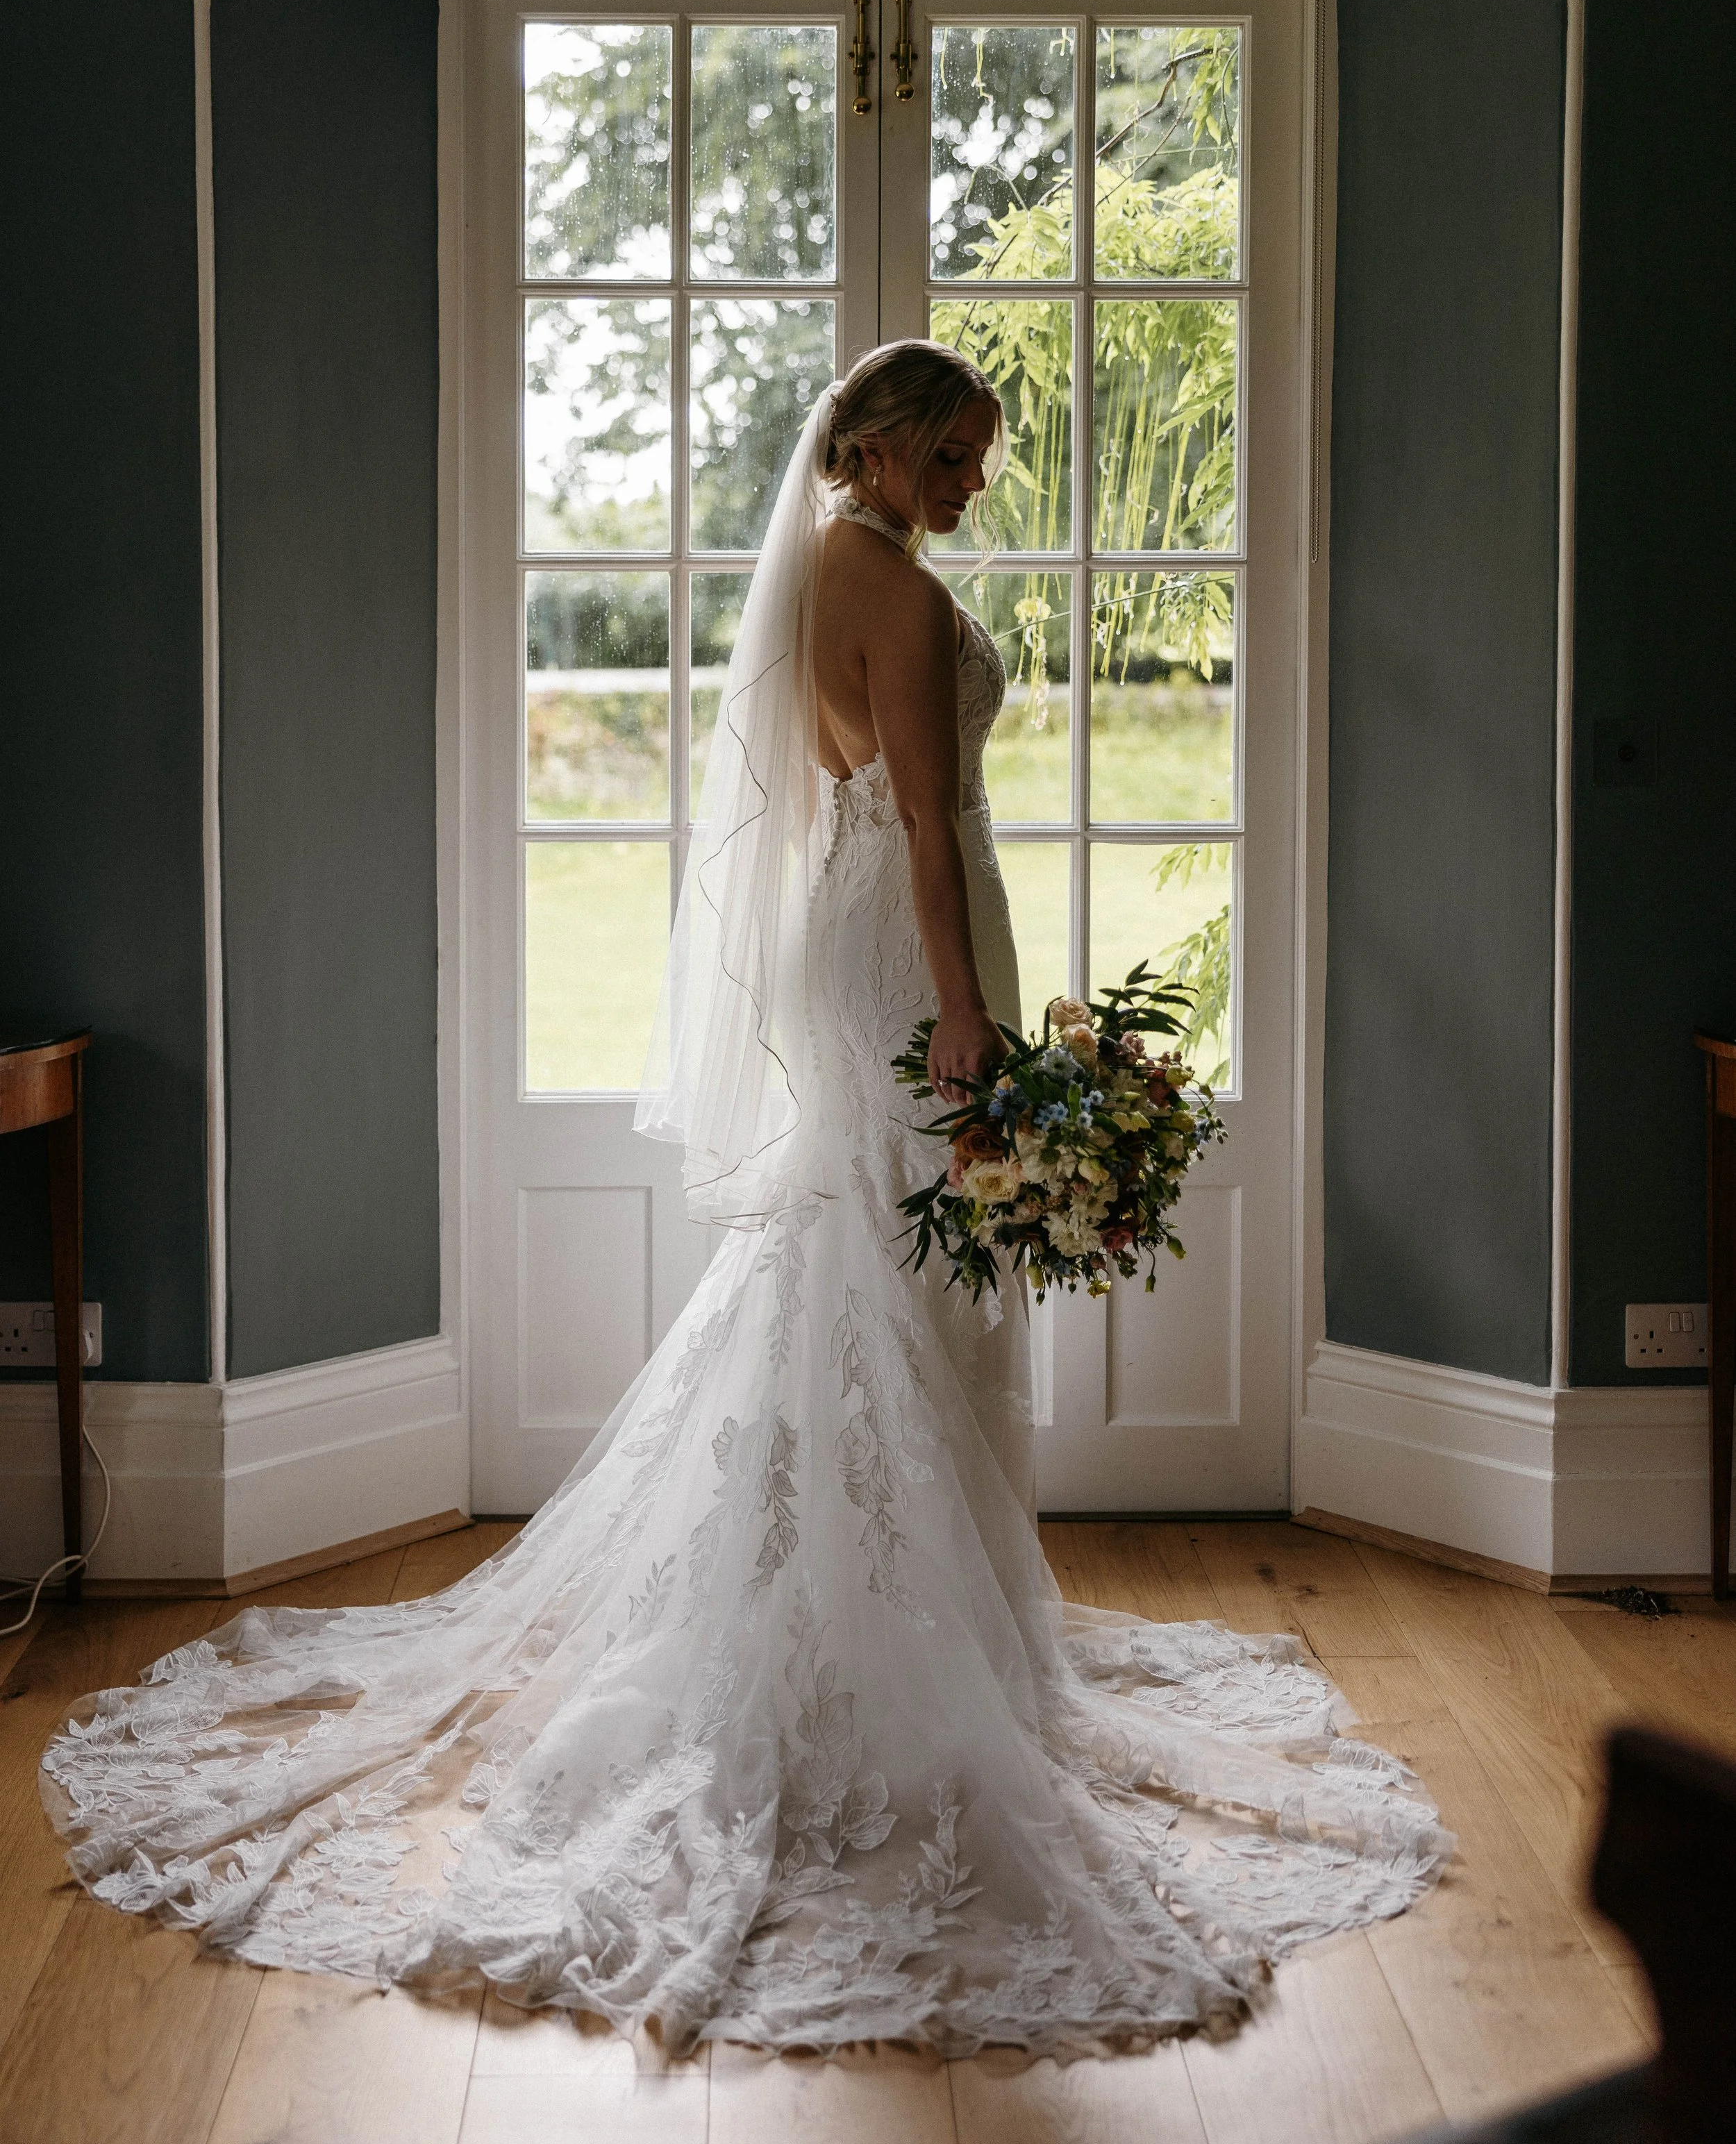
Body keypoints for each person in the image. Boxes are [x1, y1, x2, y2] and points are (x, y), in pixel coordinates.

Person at [41, 342, 1449, 2057]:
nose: (973, 476)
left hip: (843, 941)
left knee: (848, 1265)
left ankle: (848, 1610)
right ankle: (866, 1654)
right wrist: (967, 1020)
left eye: (984, 454)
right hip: (902, 951)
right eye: (953, 446)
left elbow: (856, 800)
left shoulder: (818, 572)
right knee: (892, 1270)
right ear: (867, 441)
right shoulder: (897, 598)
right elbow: (929, 824)